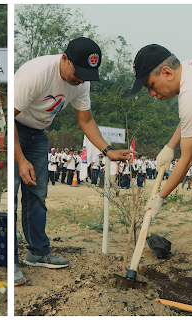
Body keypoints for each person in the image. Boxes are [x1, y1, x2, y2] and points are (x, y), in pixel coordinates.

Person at [14, 37, 133, 286]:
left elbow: (86, 121)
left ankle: (37, 252)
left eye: (87, 75)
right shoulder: (36, 74)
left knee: (37, 193)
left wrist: (108, 151)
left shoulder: (81, 84)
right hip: (14, 128)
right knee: (9, 193)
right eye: (78, 73)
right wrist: (20, 158)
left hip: (38, 135)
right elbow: (6, 117)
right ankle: (7, 260)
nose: (81, 80)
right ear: (65, 59)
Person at [130, 44, 192, 216]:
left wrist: (159, 197)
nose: (152, 94)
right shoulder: (191, 68)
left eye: (151, 85)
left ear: (167, 73)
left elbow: (188, 160)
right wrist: (170, 147)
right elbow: (191, 118)